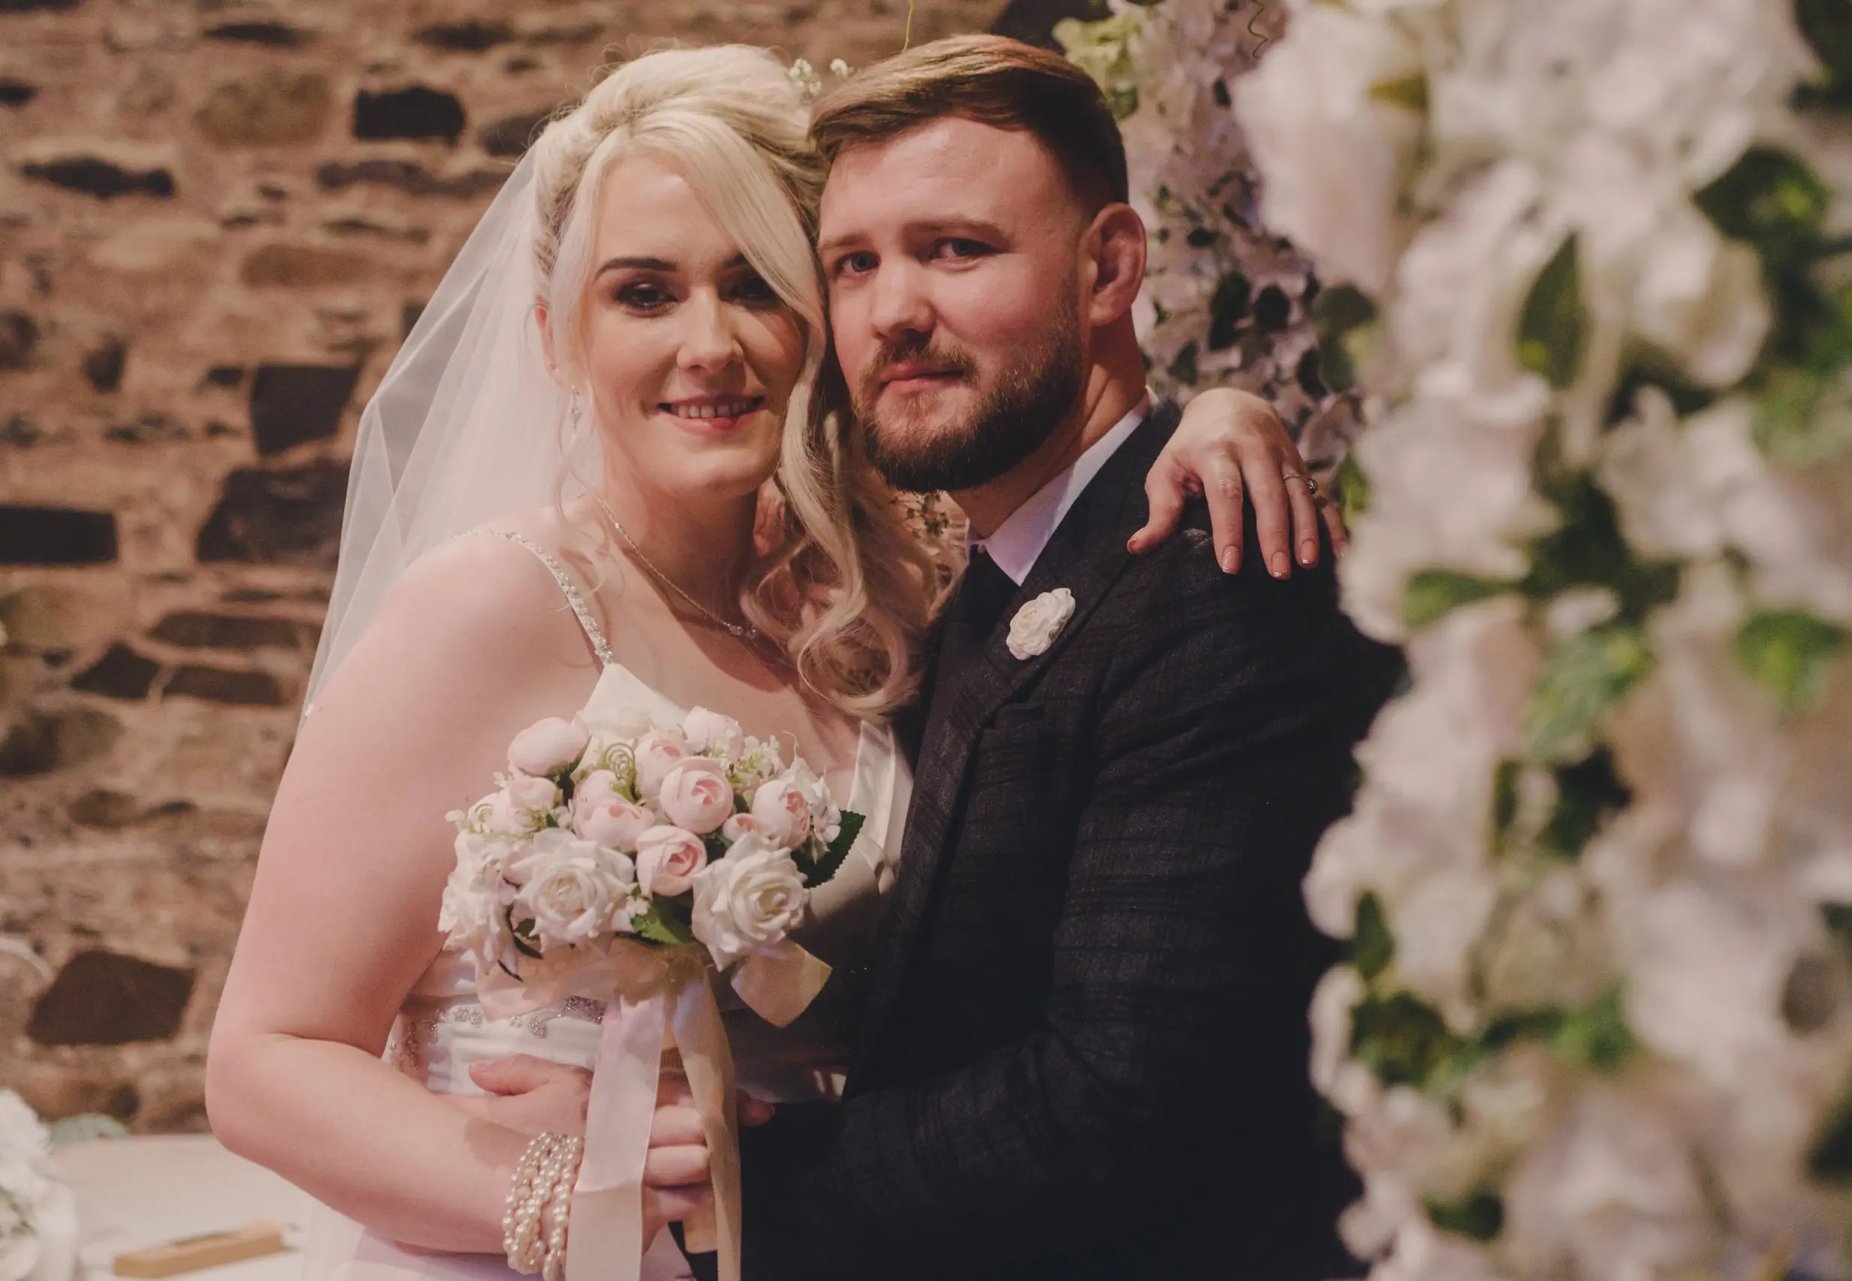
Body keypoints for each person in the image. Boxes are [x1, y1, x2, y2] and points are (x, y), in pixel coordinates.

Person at [203, 42, 1337, 1281]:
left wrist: (1213, 412)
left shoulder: (874, 610)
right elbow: (264, 1059)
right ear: (556, 338)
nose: (711, 343)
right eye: (645, 294)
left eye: (756, 285)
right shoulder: (488, 607)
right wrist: (576, 1194)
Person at [587, 36, 1396, 1281]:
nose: (894, 312)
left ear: (1109, 268)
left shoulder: (1214, 581)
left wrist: (721, 1192)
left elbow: (1120, 1107)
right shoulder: (968, 581)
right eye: (854, 264)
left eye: (956, 249)